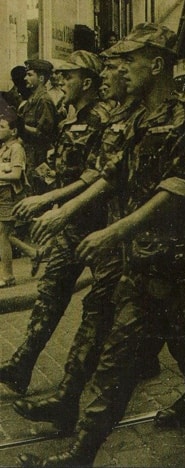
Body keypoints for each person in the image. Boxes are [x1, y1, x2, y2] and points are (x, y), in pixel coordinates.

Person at [17, 23, 185, 468]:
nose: (120, 68)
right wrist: (64, 212)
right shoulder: (133, 120)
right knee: (115, 364)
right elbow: (109, 175)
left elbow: (178, 192)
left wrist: (115, 232)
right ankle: (80, 455)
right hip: (142, 265)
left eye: (130, 60)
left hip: (181, 268)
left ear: (156, 64)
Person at [0, 51, 113, 398]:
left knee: (116, 297)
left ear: (87, 82)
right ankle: (21, 365)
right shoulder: (70, 120)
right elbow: (60, 167)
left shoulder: (102, 120)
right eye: (60, 75)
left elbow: (98, 176)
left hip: (102, 222)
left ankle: (142, 357)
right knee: (51, 291)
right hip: (72, 221)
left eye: (69, 75)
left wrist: (52, 201)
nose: (61, 81)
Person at [17, 59, 58, 195]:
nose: (25, 78)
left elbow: (44, 134)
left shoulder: (44, 100)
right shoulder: (32, 99)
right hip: (30, 156)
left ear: (40, 78)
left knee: (40, 193)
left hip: (40, 159)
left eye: (30, 75)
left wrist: (21, 126)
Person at [0, 112, 27, 288]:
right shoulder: (4, 148)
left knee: (3, 235)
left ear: (14, 131)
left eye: (2, 127)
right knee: (4, 234)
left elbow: (17, 174)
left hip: (8, 195)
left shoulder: (17, 148)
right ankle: (33, 253)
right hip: (1, 193)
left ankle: (8, 276)